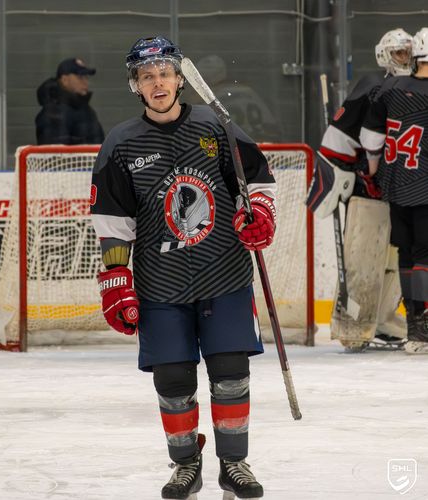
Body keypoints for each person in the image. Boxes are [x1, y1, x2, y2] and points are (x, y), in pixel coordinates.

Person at [90, 36, 276, 499]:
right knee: (173, 380)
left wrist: (258, 214)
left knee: (230, 373)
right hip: (160, 283)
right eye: (147, 77)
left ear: (179, 79)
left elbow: (257, 181)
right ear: (136, 85)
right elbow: (114, 224)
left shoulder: (216, 125)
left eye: (165, 74)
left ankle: (234, 464)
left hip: (224, 274)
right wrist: (116, 280)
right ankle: (186, 465)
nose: (158, 83)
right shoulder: (121, 143)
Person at [307, 28, 413, 350]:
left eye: (408, 53)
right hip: (369, 191)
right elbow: (339, 139)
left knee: (396, 260)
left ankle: (383, 320)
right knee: (363, 258)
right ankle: (353, 324)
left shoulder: (416, 88)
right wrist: (339, 176)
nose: (405, 59)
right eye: (399, 53)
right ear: (384, 55)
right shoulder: (372, 87)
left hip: (405, 193)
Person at [360, 27, 428, 354]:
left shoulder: (389, 88)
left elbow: (371, 139)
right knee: (425, 256)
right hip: (425, 186)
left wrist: (373, 173)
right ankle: (423, 325)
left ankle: (415, 327)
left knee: (406, 254)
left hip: (396, 185)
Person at [189, 54, 283, 142]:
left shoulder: (207, 103)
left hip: (236, 149)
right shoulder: (247, 91)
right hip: (266, 146)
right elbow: (273, 127)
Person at [35, 57, 104, 145]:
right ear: (64, 80)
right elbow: (55, 151)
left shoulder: (86, 110)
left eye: (86, 77)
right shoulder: (53, 114)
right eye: (80, 77)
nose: (86, 82)